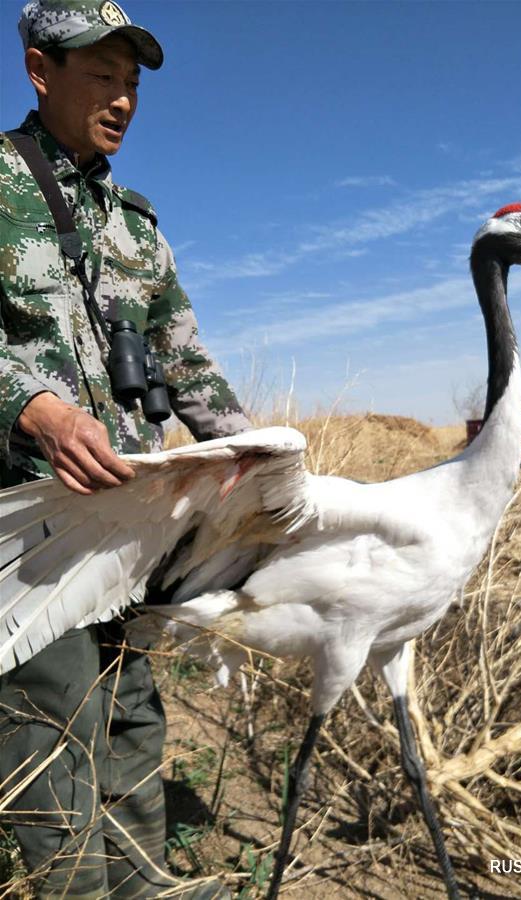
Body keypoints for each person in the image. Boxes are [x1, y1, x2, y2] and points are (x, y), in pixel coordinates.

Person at [0, 1, 249, 896]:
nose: (121, 101)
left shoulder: (140, 226)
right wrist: (38, 413)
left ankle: (144, 887)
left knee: (135, 712)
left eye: (131, 84)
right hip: (32, 522)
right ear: (40, 71)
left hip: (138, 520)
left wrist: (261, 462)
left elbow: (190, 368)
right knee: (54, 718)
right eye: (99, 77)